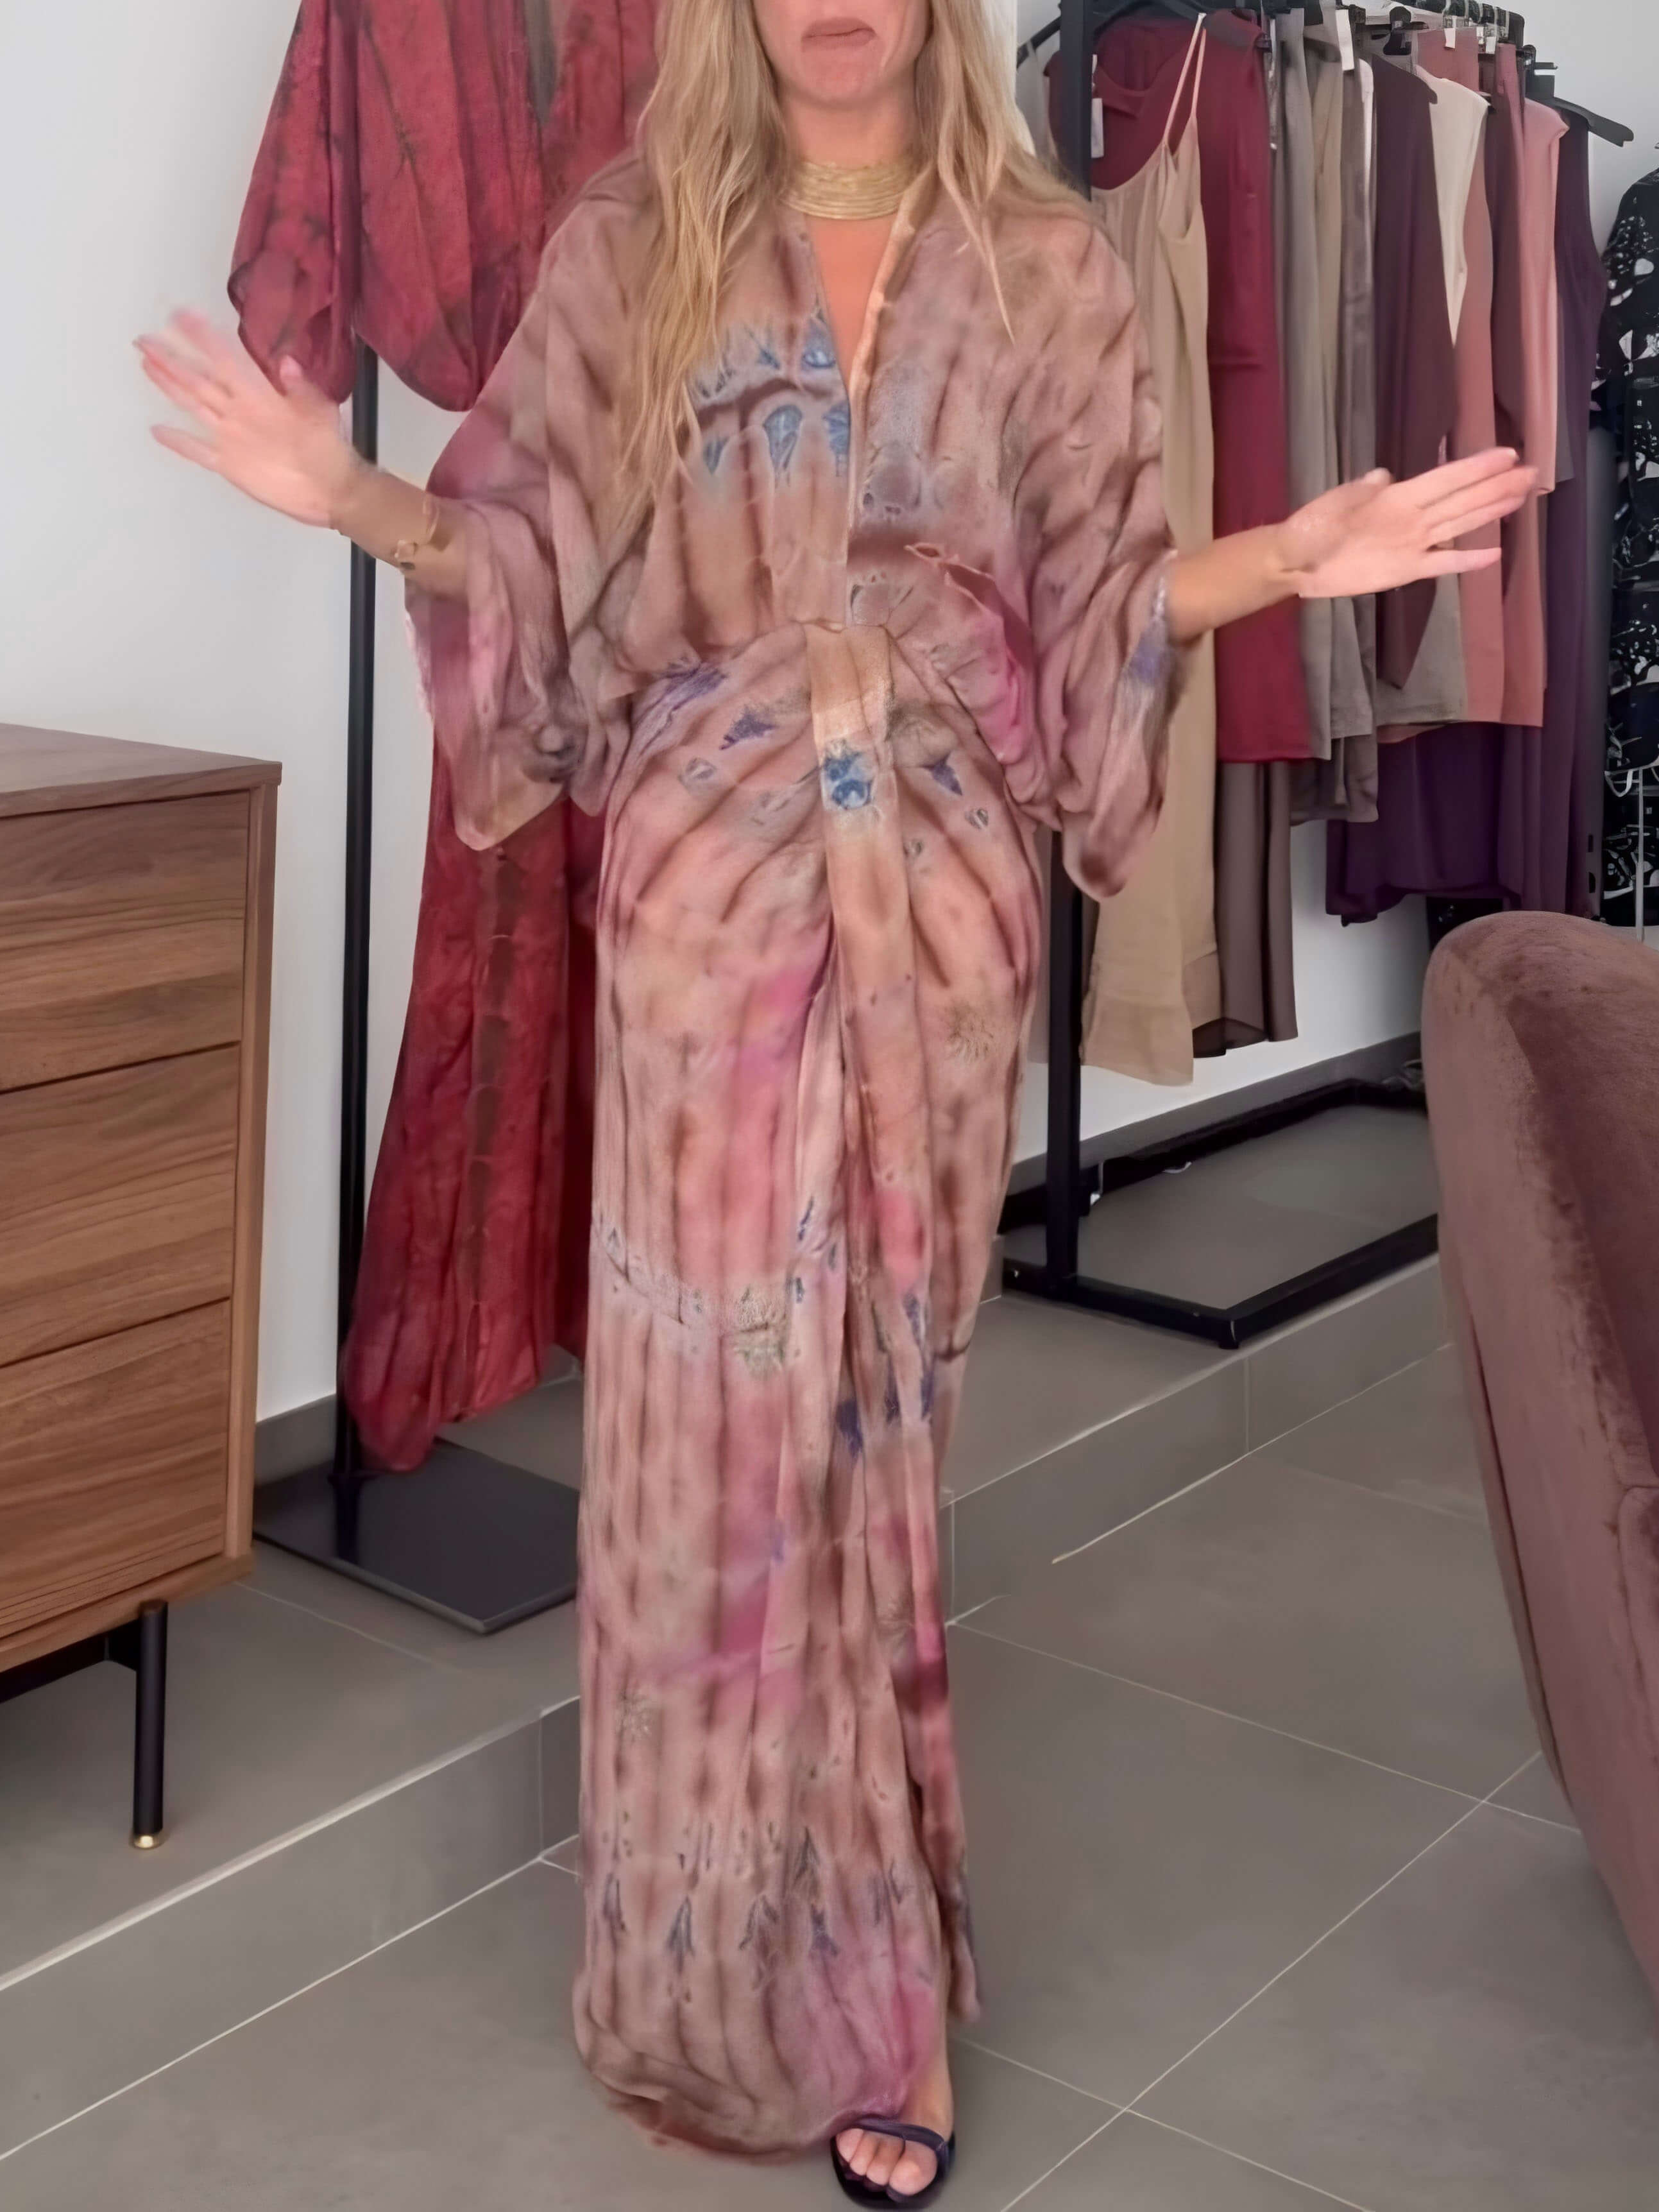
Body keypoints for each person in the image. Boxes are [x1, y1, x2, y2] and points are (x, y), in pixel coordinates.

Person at [136, 0, 1530, 2196]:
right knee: (702, 1433)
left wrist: (1284, 556)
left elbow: (1096, 600)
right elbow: (529, 553)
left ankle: (874, 1989)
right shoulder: (634, 239)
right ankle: (696, 1965)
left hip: (941, 915)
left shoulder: (1046, 261)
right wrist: (356, 498)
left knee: (875, 1434)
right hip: (704, 909)